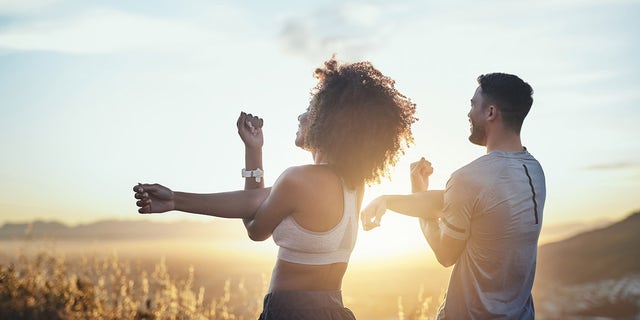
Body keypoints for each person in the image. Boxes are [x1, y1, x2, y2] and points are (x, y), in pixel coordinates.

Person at [133, 57, 417, 319]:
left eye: (311, 110)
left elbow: (255, 228)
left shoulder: (299, 179)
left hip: (291, 313)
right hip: (334, 310)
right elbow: (255, 200)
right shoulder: (353, 185)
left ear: (329, 121)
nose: (301, 117)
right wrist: (252, 151)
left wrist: (175, 200)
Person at [361, 73, 546, 319]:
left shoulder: (469, 178)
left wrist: (418, 194)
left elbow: (445, 253)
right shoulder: (534, 171)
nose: (469, 113)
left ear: (491, 113)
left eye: (472, 105)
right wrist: (388, 200)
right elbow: (466, 204)